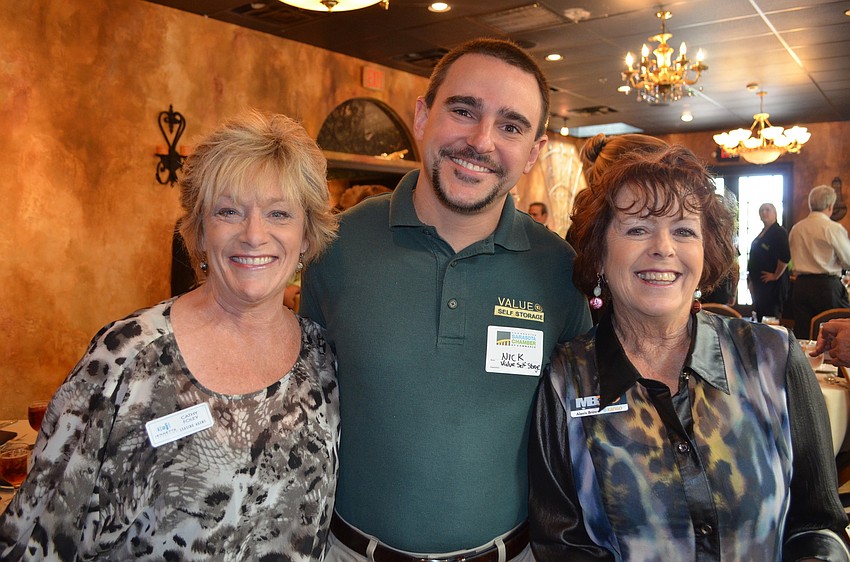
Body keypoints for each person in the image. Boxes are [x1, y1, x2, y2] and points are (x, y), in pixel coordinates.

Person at [0, 111, 340, 561]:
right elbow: (36, 536)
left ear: (306, 236)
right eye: (228, 211)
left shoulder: (322, 358)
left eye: (279, 213)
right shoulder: (128, 355)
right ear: (199, 232)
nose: (254, 234)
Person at [300, 38, 592, 561]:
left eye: (511, 126)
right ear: (422, 115)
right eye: (463, 110)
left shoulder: (561, 272)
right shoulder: (334, 247)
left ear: (534, 151)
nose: (481, 141)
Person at [528, 145, 850, 560]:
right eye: (637, 228)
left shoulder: (774, 357)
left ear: (706, 252)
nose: (663, 247)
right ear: (600, 253)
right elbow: (564, 547)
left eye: (684, 230)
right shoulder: (564, 381)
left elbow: (818, 523)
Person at [789, 184, 850, 339]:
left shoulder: (797, 228)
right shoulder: (832, 228)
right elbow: (848, 260)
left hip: (800, 286)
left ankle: (805, 364)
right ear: (830, 206)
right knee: (833, 335)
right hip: (826, 288)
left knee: (803, 334)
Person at [748, 202, 790, 321]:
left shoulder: (779, 232)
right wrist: (751, 280)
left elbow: (785, 256)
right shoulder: (762, 232)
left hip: (771, 287)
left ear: (775, 213)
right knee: (760, 318)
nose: (764, 212)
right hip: (759, 285)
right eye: (761, 210)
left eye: (767, 210)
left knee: (770, 319)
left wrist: (775, 275)